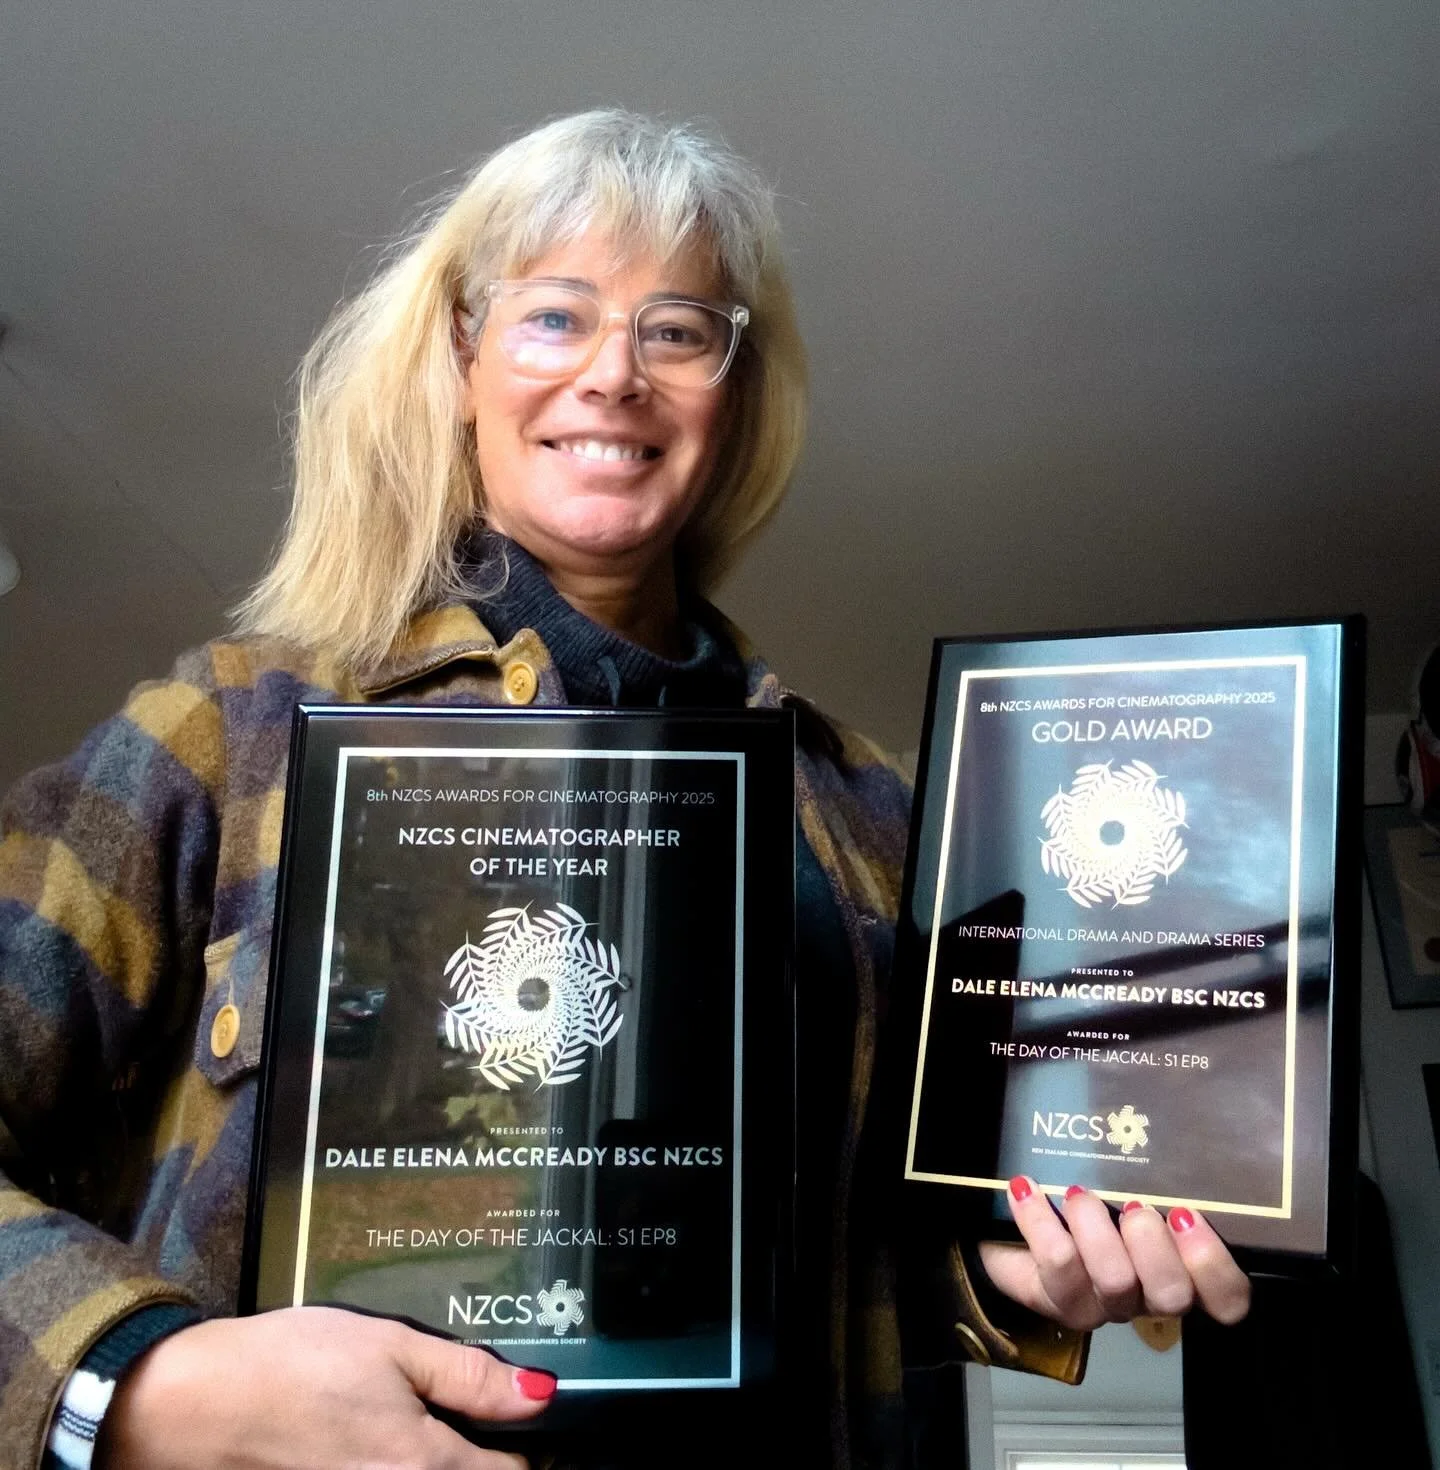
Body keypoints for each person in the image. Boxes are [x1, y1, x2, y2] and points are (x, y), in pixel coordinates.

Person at [0, 109, 1249, 1470]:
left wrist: (1015, 1270)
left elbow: (859, 1260)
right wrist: (135, 1381)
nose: (614, 375)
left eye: (677, 330)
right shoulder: (232, 730)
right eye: (555, 317)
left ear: (733, 389)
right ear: (461, 358)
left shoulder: (879, 813)